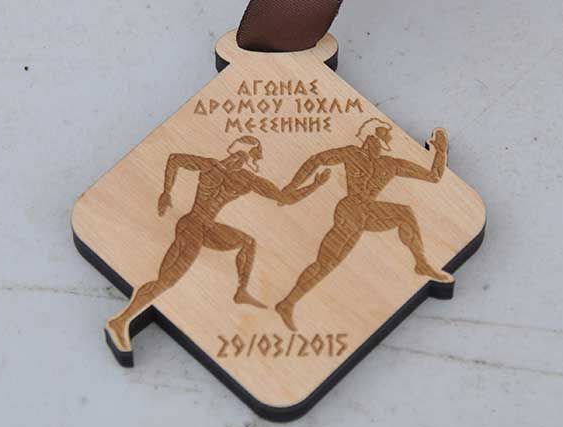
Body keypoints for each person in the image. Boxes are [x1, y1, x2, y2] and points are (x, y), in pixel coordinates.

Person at [106, 135, 330, 356]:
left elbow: (284, 197)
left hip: (206, 228)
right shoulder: (224, 171)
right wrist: (166, 192)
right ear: (242, 155)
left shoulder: (237, 176)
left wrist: (314, 185)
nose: (255, 160)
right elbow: (174, 159)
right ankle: (121, 321)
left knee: (247, 242)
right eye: (253, 155)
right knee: (165, 281)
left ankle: (241, 290)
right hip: (193, 226)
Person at [275, 119, 451, 331]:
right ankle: (287, 303)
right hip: (351, 210)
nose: (384, 144)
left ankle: (421, 262)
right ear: (369, 138)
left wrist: (440, 152)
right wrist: (291, 186)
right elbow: (317, 160)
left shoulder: (390, 164)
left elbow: (433, 176)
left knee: (404, 214)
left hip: (368, 213)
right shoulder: (352, 153)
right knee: (325, 264)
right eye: (381, 139)